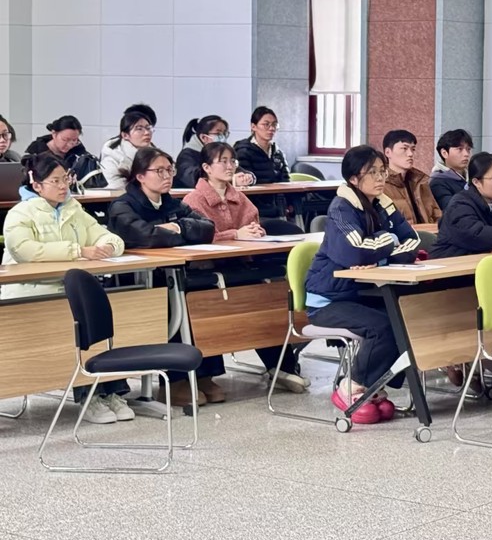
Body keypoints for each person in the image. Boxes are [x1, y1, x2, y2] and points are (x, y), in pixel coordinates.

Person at [2, 154, 129, 424]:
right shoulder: (20, 214)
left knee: (104, 319)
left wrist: (109, 246)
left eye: (66, 179)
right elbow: (26, 251)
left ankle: (110, 392)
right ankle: (88, 396)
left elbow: (108, 236)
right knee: (80, 325)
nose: (63, 186)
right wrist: (78, 251)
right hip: (29, 293)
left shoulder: (74, 210)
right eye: (55, 181)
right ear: (37, 184)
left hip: (69, 290)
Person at [304, 145, 420, 424]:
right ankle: (351, 385)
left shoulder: (382, 203)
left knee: (403, 318)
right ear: (354, 179)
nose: (380, 178)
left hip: (359, 292)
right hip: (328, 299)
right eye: (372, 173)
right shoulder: (341, 208)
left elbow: (413, 242)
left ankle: (373, 385)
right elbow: (355, 252)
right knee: (381, 326)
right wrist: (389, 240)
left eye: (382, 171)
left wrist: (379, 253)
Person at [181, 142, 309, 393]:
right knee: (214, 306)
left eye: (233, 161)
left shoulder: (238, 196)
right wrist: (235, 234)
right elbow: (198, 235)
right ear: (206, 167)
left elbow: (252, 220)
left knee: (265, 299)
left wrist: (255, 232)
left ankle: (282, 367)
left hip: (241, 264)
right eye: (223, 161)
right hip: (207, 271)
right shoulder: (193, 199)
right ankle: (207, 377)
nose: (230, 166)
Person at [107, 147, 224, 408]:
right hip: (136, 281)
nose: (167, 176)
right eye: (159, 171)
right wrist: (178, 234)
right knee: (173, 303)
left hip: (171, 272)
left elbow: (207, 228)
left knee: (199, 302)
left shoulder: (172, 202)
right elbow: (145, 236)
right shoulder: (123, 206)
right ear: (140, 176)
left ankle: (204, 375)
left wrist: (177, 227)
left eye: (169, 170)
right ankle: (175, 381)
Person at [234, 106, 290, 219]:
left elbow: (286, 179)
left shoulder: (277, 152)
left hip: (278, 206)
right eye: (266, 124)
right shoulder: (243, 151)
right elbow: (246, 183)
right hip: (255, 207)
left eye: (274, 125)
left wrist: (288, 203)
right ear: (253, 126)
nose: (271, 128)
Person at [175, 115, 255, 189]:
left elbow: (237, 169)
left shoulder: (222, 153)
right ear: (204, 137)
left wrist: (248, 177)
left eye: (225, 133)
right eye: (218, 133)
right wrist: (231, 180)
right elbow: (193, 179)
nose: (222, 137)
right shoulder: (186, 155)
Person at [381, 129, 441, 225]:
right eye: (404, 149)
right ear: (388, 152)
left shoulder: (420, 181)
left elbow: (437, 215)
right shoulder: (381, 185)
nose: (410, 154)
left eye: (413, 149)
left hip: (429, 233)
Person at [100, 110, 154, 190]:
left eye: (148, 128)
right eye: (139, 129)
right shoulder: (111, 158)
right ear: (125, 135)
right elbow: (117, 188)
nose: (147, 133)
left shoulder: (156, 154)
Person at [23, 115, 90, 169]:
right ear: (54, 134)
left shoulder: (79, 152)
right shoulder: (36, 152)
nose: (70, 145)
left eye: (74, 140)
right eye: (65, 139)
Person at [430, 128, 473, 210]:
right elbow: (453, 210)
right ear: (444, 153)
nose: (466, 154)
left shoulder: (473, 177)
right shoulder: (438, 182)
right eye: (460, 149)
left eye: (468, 149)